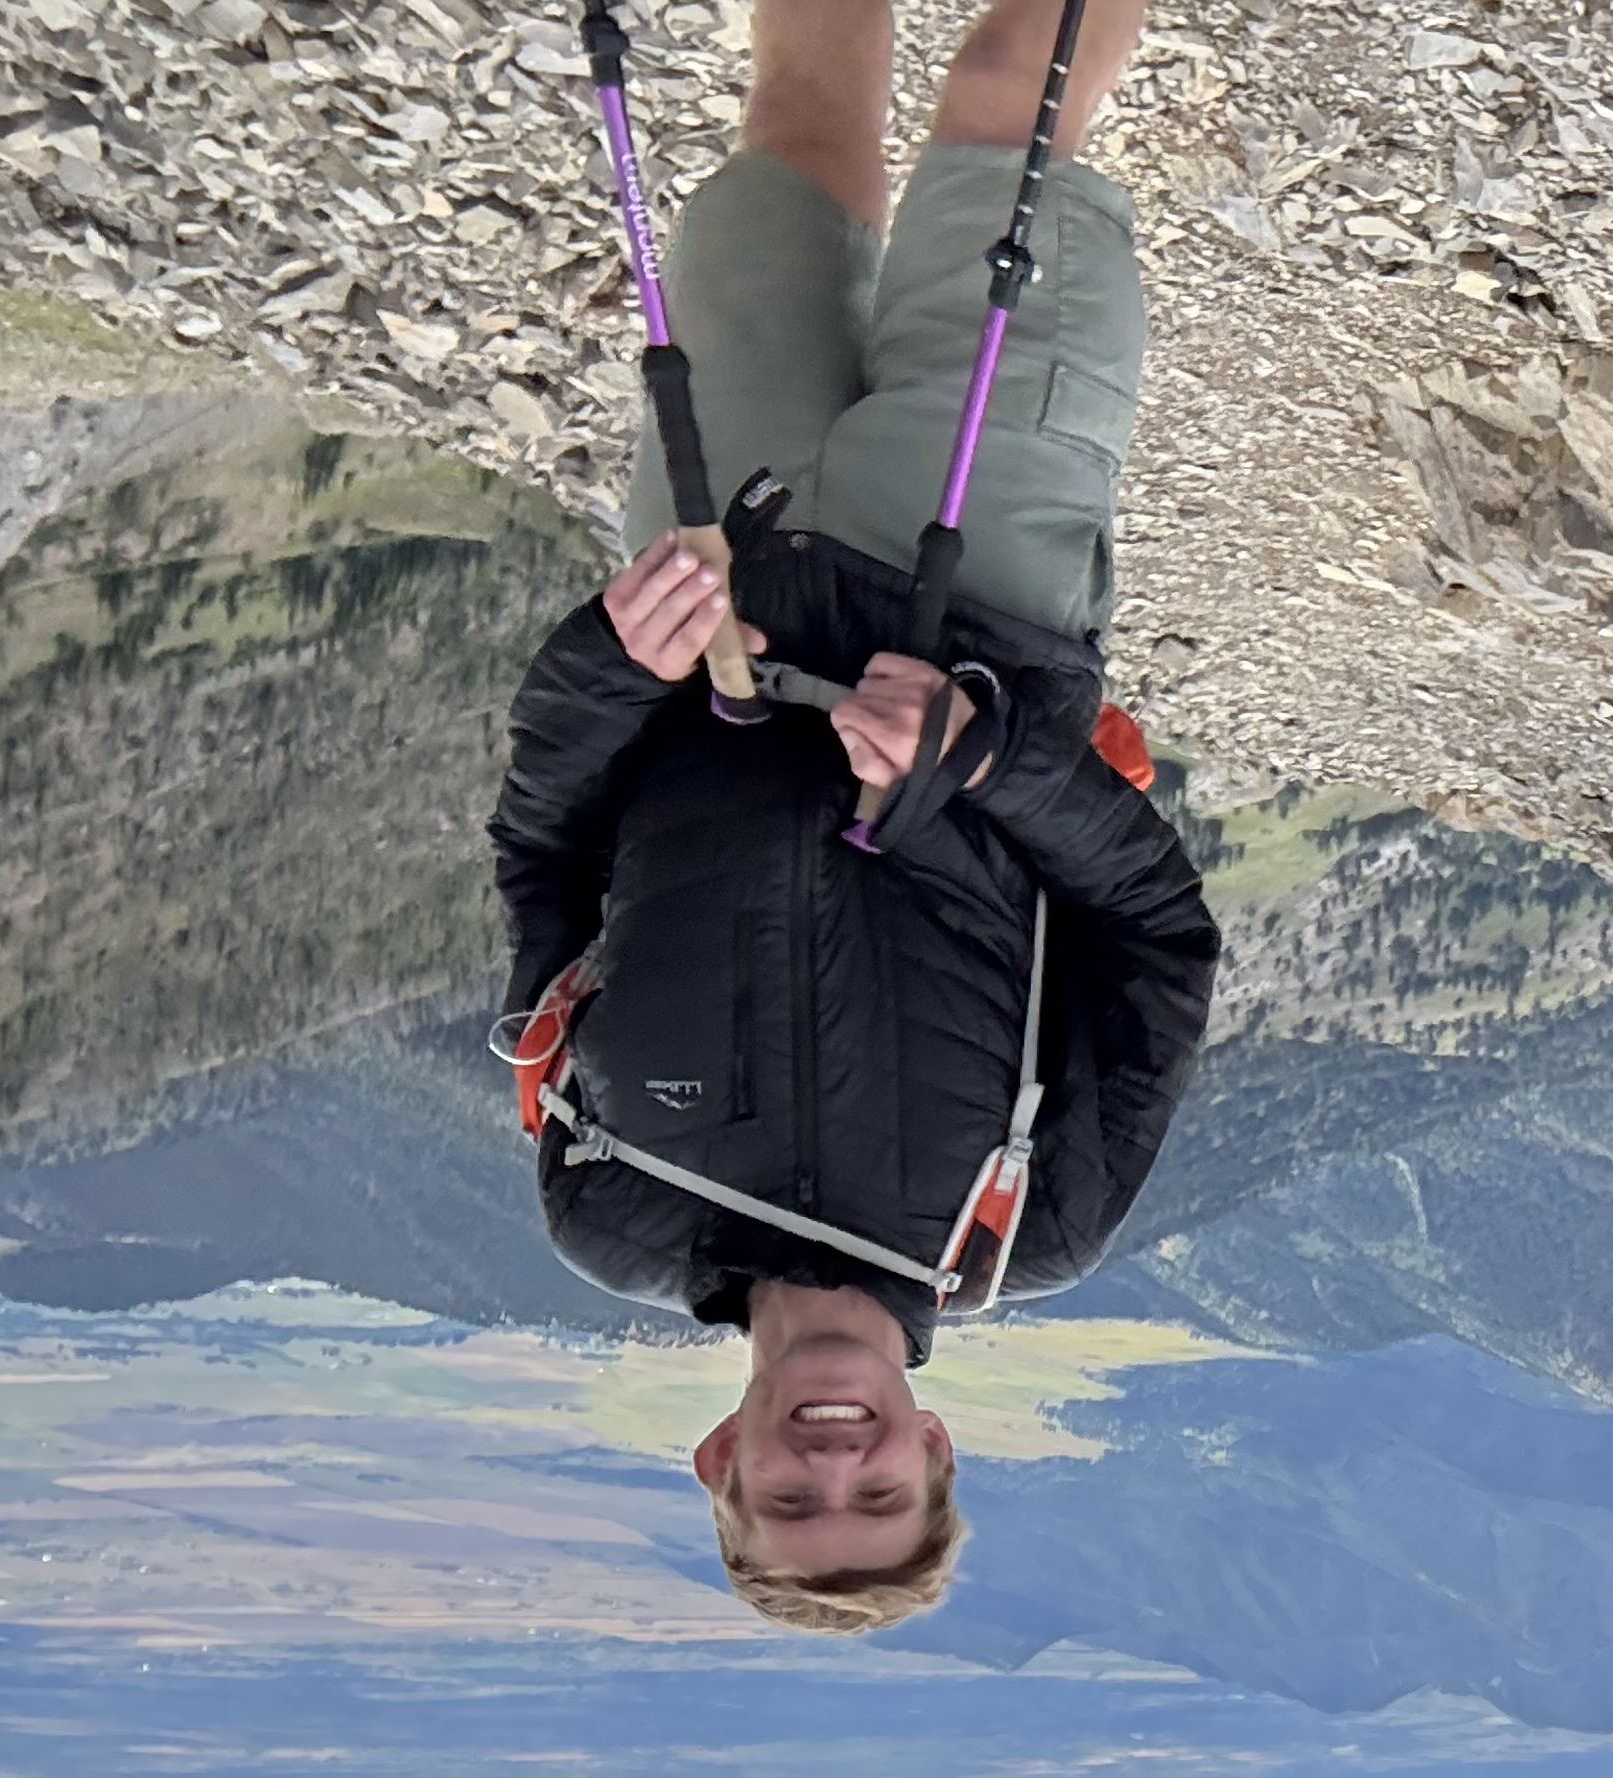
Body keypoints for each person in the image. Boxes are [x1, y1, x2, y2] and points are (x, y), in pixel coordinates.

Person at [490, 0, 1217, 1636]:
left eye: (793, 1500)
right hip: (986, 586)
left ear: (716, 1462)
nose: (837, 1464)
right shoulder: (1036, 1221)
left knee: (800, 120)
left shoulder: (607, 1204)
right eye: (880, 1496)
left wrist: (617, 660)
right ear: (936, 1447)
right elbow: (1162, 939)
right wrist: (992, 762)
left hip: (722, 546)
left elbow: (543, 845)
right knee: (1004, 101)